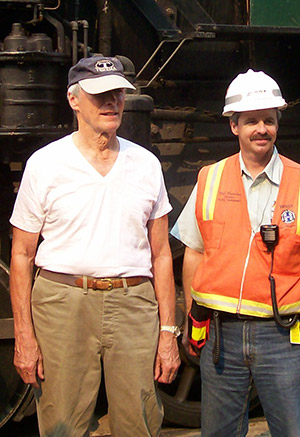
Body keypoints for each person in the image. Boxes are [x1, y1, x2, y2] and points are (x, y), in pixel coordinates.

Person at [10, 56, 181, 437]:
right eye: (101, 94)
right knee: (62, 424)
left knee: (139, 421)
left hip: (133, 303)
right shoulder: (45, 164)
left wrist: (169, 332)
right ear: (73, 99)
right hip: (63, 305)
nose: (112, 102)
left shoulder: (146, 165)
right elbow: (21, 255)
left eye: (118, 93)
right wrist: (24, 335)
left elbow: (161, 254)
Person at [171, 69, 300, 436]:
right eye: (251, 121)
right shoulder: (210, 179)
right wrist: (192, 317)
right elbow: (194, 252)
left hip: (285, 338)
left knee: (292, 432)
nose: (261, 129)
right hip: (221, 336)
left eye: (268, 120)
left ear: (278, 123)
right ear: (234, 126)